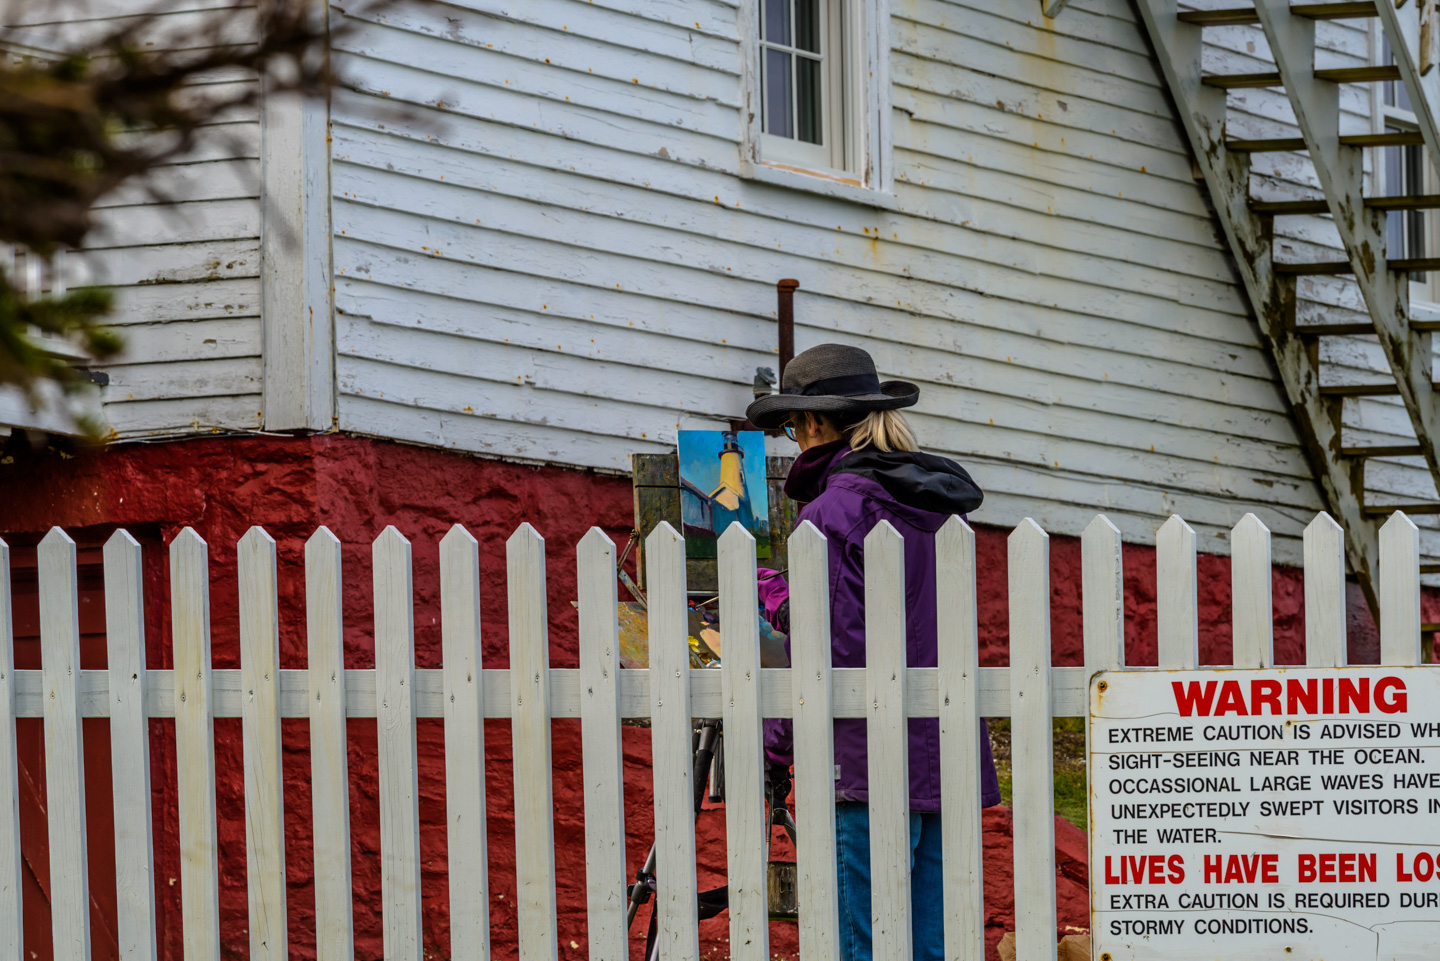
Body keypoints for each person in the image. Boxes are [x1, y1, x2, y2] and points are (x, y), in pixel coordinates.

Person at [744, 343, 1001, 961]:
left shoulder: (834, 510)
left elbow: (820, 648)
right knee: (931, 944)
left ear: (815, 423)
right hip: (947, 754)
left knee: (865, 944)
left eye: (790, 426)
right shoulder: (938, 509)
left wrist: (777, 742)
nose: (791, 439)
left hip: (862, 761)